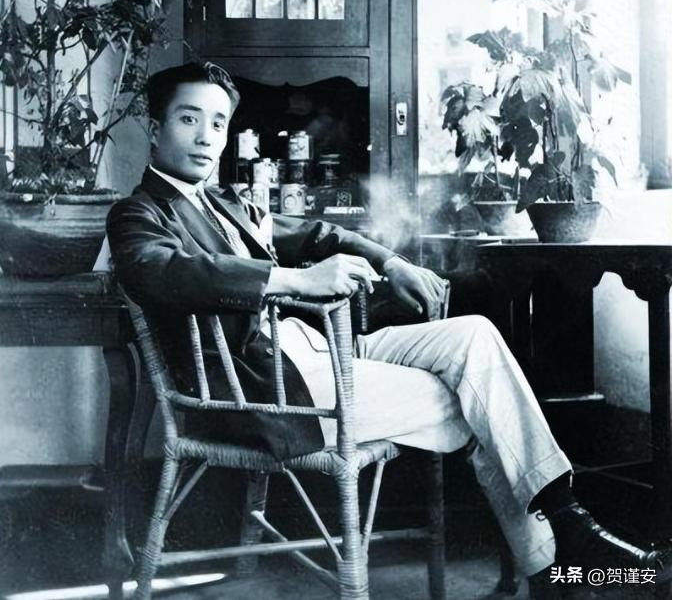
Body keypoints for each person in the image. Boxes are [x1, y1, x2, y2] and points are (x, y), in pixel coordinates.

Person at [106, 61, 663, 589]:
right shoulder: (138, 213)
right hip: (263, 389)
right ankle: (558, 554)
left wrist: (392, 262)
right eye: (189, 119)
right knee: (480, 398)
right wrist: (297, 280)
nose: (206, 136)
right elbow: (160, 270)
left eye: (218, 123)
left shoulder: (226, 204)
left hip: (314, 355)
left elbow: (320, 233)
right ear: (156, 130)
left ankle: (564, 530)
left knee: (473, 337)